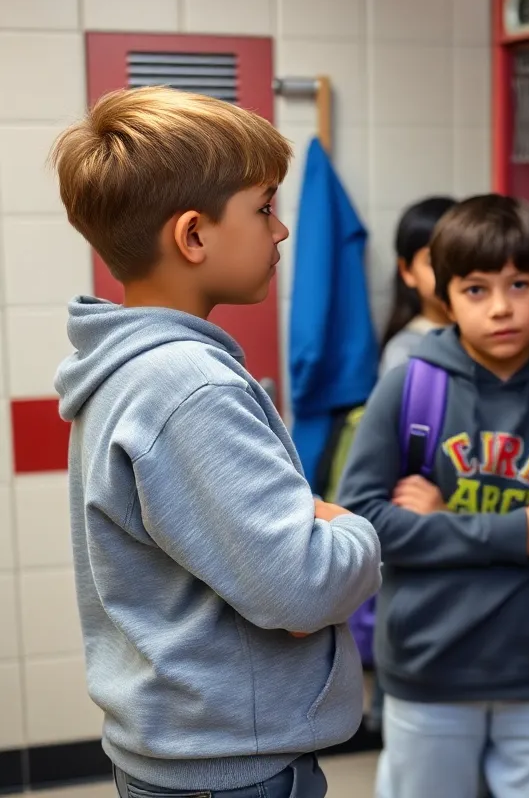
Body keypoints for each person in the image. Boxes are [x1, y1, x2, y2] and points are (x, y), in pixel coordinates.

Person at [50, 86, 382, 797]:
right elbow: (301, 588)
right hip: (235, 772)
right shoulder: (189, 386)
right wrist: (351, 524)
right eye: (264, 208)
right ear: (194, 235)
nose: (281, 231)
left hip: (191, 759)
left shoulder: (127, 369)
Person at [339, 195, 529, 798]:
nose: (501, 308)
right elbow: (363, 523)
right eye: (476, 290)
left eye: (519, 284)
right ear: (444, 296)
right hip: (430, 667)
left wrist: (447, 519)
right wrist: (521, 533)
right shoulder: (409, 386)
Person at [380, 196, 456, 375]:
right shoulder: (406, 352)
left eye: (457, 259)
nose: (449, 272)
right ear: (407, 270)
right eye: (432, 261)